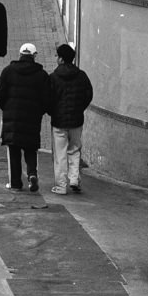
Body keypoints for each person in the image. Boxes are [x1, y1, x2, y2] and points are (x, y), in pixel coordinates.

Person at [0, 42, 53, 192]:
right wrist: (39, 111)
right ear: (34, 56)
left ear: (20, 55)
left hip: (12, 118)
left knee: (13, 149)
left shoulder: (8, 71)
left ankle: (15, 183)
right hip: (32, 119)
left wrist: (6, 108)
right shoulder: (42, 75)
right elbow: (47, 99)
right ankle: (32, 174)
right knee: (30, 148)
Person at [48, 42, 95, 195]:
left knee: (60, 154)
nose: (56, 59)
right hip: (76, 120)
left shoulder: (53, 77)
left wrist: (52, 111)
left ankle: (61, 186)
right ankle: (74, 179)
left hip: (59, 121)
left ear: (61, 59)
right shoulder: (81, 76)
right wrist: (79, 108)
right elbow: (88, 94)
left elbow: (47, 98)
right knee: (74, 149)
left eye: (57, 56)